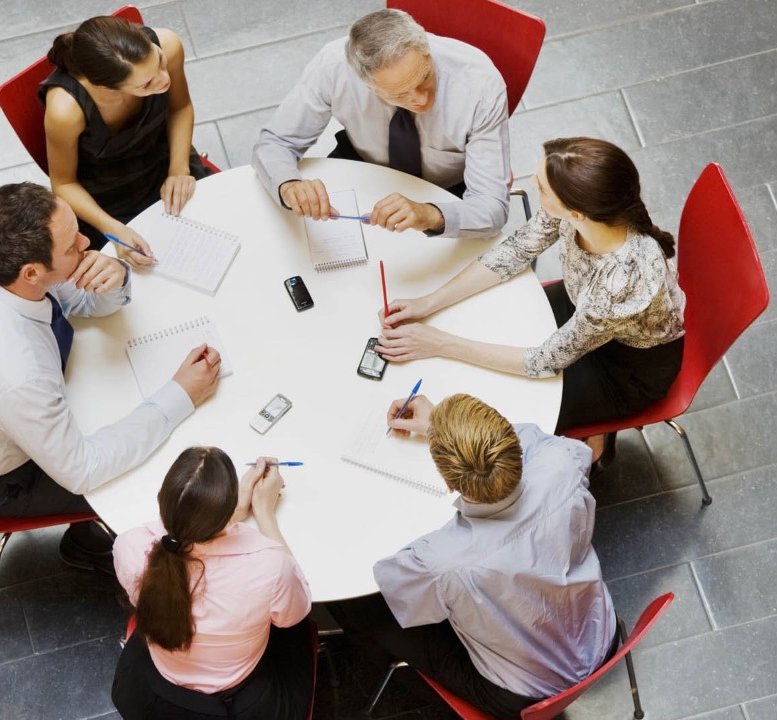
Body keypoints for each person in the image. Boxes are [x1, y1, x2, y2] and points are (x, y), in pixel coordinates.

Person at [0, 182, 222, 572]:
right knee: (153, 466)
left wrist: (115, 277)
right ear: (32, 272)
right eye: (72, 246)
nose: (86, 241)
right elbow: (83, 469)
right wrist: (182, 394)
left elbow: (80, 301)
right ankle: (92, 543)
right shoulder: (15, 373)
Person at [376, 137, 686, 462]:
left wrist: (439, 343)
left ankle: (595, 440)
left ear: (576, 212)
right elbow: (517, 250)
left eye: (541, 187)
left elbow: (543, 362)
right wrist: (428, 302)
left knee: (508, 407)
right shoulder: (586, 210)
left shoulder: (620, 281)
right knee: (487, 324)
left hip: (623, 370)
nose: (532, 184)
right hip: (581, 311)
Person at [328, 393, 616, 719]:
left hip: (522, 695)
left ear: (450, 483)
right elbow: (529, 441)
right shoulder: (563, 463)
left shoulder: (440, 562)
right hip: (600, 635)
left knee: (361, 607)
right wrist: (444, 425)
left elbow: (396, 590)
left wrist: (443, 430)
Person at [251, 9, 510, 238]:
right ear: (366, 83)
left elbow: (491, 208)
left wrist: (430, 215)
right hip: (363, 165)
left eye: (424, 77)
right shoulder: (334, 67)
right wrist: (289, 184)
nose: (421, 99)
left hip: (445, 188)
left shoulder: (480, 86)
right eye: (400, 94)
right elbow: (275, 143)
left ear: (426, 51)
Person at [111, 449, 314, 720]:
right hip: (242, 704)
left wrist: (231, 513)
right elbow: (296, 613)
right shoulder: (269, 568)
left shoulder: (129, 545)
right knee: (293, 627)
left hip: (150, 693)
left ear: (162, 500)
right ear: (225, 513)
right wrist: (264, 513)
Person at [41, 15, 213, 258]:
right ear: (106, 88)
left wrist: (179, 169)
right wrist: (113, 229)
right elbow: (64, 183)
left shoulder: (168, 44)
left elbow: (180, 108)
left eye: (160, 62)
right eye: (146, 84)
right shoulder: (65, 110)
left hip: (164, 158)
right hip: (106, 197)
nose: (164, 79)